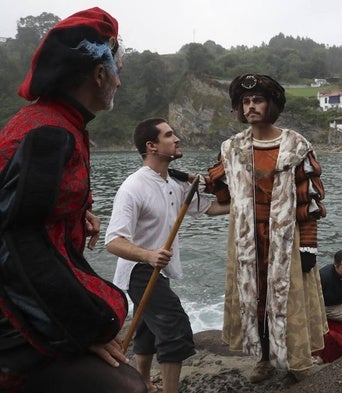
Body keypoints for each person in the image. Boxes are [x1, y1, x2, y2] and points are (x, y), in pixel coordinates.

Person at [0, 7, 147, 393]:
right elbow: (18, 240)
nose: (119, 80)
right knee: (127, 388)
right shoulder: (49, 133)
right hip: (13, 311)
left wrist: (79, 213)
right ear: (100, 74)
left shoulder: (59, 122)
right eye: (117, 68)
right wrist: (83, 330)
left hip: (24, 288)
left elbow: (34, 204)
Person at [205, 73, 328, 383]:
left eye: (257, 100)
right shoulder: (231, 148)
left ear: (272, 104)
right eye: (245, 101)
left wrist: (309, 245)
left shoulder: (296, 145)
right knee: (255, 301)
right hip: (247, 241)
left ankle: (299, 361)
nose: (251, 106)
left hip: (287, 239)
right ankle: (264, 359)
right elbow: (224, 195)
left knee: (290, 301)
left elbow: (308, 200)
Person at [105, 118, 230, 393]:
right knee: (174, 328)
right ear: (151, 146)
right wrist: (148, 255)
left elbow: (209, 209)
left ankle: (145, 383)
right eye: (169, 135)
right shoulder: (133, 187)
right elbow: (113, 241)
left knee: (148, 330)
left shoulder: (175, 182)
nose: (177, 139)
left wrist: (249, 202)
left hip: (158, 269)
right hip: (138, 271)